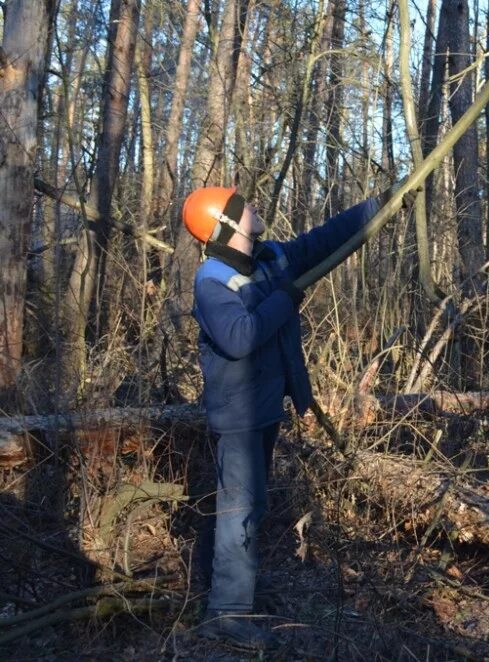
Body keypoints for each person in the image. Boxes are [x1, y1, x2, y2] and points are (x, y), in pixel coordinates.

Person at [182, 186, 397, 649]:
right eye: (244, 208)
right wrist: (287, 298)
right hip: (238, 416)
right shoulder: (212, 280)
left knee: (252, 506)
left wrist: (378, 204)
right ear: (227, 224)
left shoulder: (268, 258)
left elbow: (322, 242)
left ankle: (238, 593)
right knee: (238, 511)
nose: (254, 209)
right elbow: (240, 337)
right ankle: (227, 614)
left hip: (264, 406)